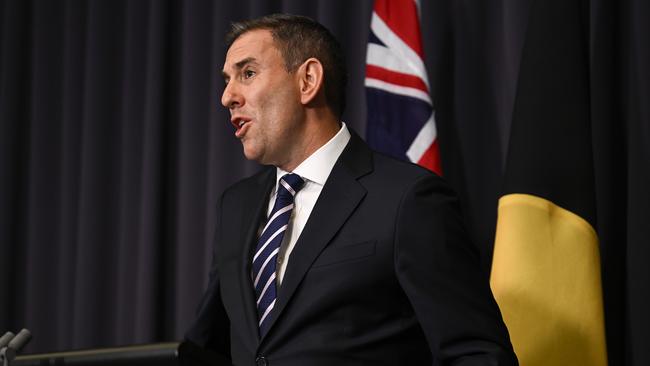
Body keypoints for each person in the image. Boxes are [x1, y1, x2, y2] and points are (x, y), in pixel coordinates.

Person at [185, 13, 518, 366]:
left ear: (308, 80)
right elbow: (209, 345)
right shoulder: (236, 206)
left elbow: (476, 354)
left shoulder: (408, 200)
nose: (227, 97)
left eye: (247, 73)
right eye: (227, 80)